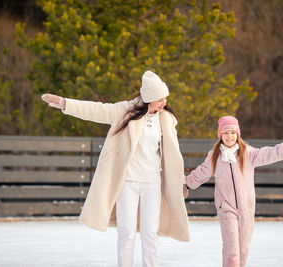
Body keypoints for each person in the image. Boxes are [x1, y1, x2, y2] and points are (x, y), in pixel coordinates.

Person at [41, 70, 190, 267]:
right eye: (160, 98)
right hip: (127, 182)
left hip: (152, 183)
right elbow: (96, 110)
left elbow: (173, 156)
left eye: (165, 98)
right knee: (126, 233)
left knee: (150, 233)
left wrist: (179, 182)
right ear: (149, 98)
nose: (164, 102)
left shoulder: (167, 119)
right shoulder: (125, 111)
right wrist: (65, 103)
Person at [183, 115, 283, 267]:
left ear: (237, 134)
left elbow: (268, 153)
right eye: (225, 133)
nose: (229, 136)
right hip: (226, 208)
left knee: (243, 251)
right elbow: (201, 172)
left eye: (232, 133)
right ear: (220, 135)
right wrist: (185, 186)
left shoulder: (248, 153)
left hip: (247, 209)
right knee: (232, 252)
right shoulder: (215, 156)